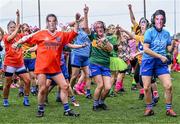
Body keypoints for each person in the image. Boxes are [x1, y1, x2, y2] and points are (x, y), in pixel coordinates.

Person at [13, 13, 80, 117]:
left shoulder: (61, 35)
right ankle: (40, 110)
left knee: (65, 86)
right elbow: (27, 39)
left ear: (56, 22)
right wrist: (18, 43)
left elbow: (74, 32)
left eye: (54, 21)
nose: (52, 23)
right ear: (47, 23)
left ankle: (67, 110)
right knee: (43, 89)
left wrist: (76, 21)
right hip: (42, 68)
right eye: (49, 21)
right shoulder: (41, 33)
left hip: (55, 68)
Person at [141, 9, 177, 117]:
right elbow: (146, 49)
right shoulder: (149, 31)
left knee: (169, 85)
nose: (159, 21)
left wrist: (173, 44)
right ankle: (149, 108)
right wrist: (160, 56)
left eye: (161, 19)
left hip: (161, 62)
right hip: (148, 60)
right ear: (154, 20)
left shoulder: (166, 33)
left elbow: (169, 49)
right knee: (146, 87)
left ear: (164, 20)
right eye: (157, 19)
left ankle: (169, 109)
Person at [3, 9, 31, 107]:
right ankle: (5, 100)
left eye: (14, 27)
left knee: (28, 80)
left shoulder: (19, 36)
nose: (13, 28)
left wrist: (18, 17)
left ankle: (26, 99)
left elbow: (28, 37)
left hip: (20, 64)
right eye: (11, 27)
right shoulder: (6, 37)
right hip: (10, 64)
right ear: (8, 28)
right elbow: (12, 36)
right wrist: (17, 28)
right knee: (7, 84)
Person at [89, 21, 113, 111]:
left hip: (105, 65)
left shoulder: (108, 38)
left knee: (108, 87)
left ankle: (101, 102)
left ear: (104, 28)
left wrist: (105, 40)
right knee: (100, 85)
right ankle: (95, 105)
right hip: (95, 63)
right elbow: (86, 29)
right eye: (97, 27)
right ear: (95, 29)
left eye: (101, 27)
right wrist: (86, 13)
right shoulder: (93, 37)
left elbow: (110, 49)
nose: (99, 28)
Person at [69, 5, 92, 99]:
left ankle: (88, 92)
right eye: (82, 22)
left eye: (84, 22)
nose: (83, 24)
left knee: (88, 75)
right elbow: (70, 24)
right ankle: (69, 89)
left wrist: (86, 14)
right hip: (77, 55)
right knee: (74, 76)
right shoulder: (76, 30)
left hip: (85, 56)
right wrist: (77, 20)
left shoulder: (87, 31)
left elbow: (86, 26)